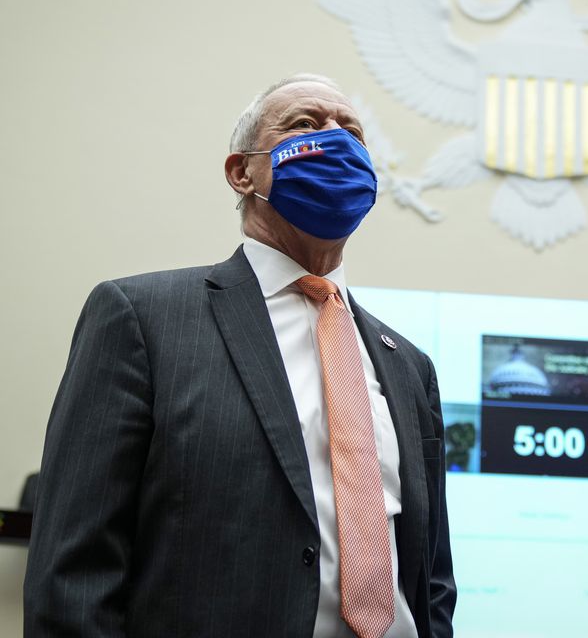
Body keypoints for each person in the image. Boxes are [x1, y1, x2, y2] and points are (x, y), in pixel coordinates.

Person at [25, 75, 455, 638]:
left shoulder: (409, 365)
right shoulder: (141, 318)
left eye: (352, 133)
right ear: (242, 172)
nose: (336, 140)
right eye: (305, 124)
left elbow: (431, 578)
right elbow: (73, 570)